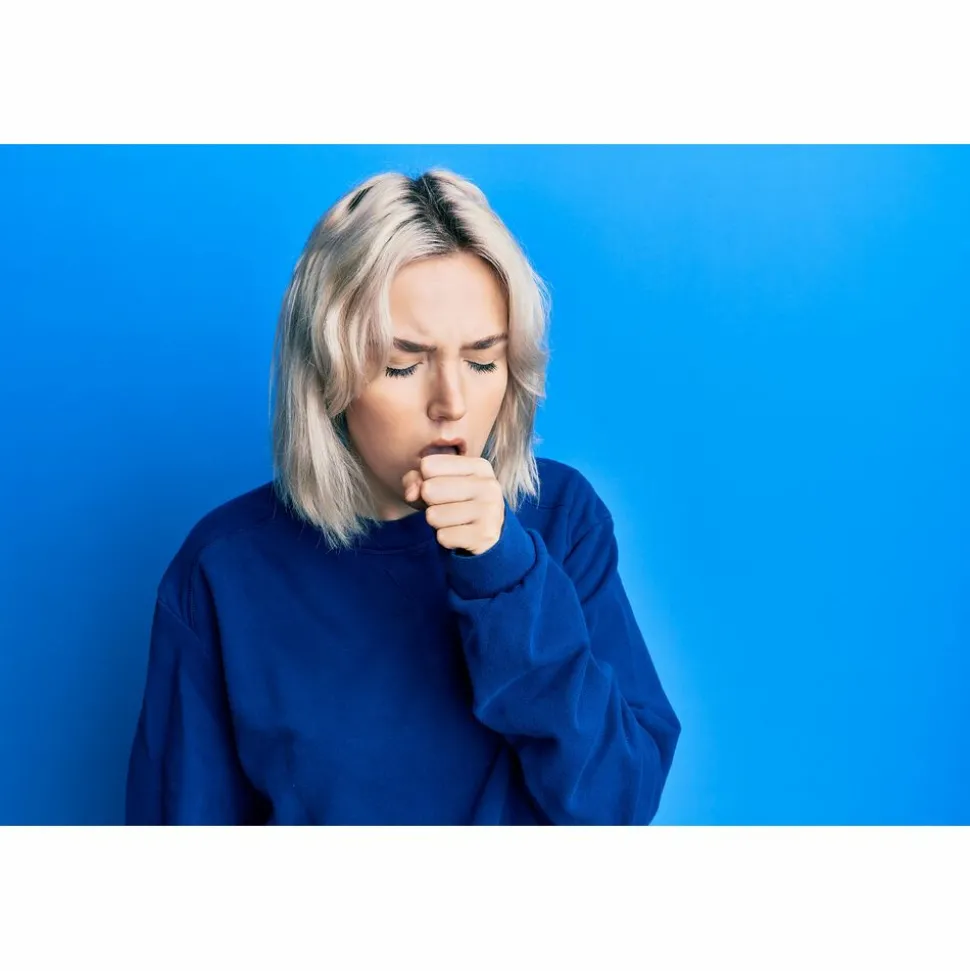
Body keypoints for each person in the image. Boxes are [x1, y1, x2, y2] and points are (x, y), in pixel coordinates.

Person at [124, 168, 681, 825]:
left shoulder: (562, 519)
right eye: (403, 364)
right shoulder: (221, 570)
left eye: (482, 361)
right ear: (328, 374)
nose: (451, 403)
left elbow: (618, 801)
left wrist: (505, 572)